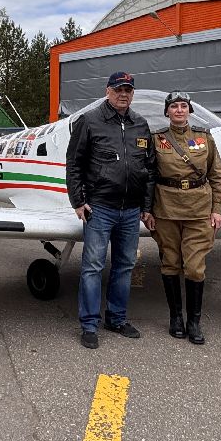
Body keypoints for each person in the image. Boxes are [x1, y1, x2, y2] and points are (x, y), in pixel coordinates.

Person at [65, 71, 153, 349]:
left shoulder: (140, 124)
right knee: (92, 266)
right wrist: (78, 201)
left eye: (128, 89)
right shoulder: (89, 122)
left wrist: (146, 207)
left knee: (125, 266)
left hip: (130, 211)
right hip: (99, 208)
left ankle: (116, 318)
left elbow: (149, 169)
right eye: (118, 89)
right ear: (107, 91)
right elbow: (74, 164)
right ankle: (89, 324)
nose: (123, 94)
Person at [143, 92, 221, 345]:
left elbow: (217, 175)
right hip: (166, 209)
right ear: (167, 112)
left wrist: (216, 209)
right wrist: (147, 210)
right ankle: (175, 318)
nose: (179, 110)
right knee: (170, 263)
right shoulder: (156, 139)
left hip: (199, 210)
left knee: (193, 267)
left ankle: (194, 321)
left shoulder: (204, 137)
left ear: (189, 110)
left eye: (183, 106)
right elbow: (147, 176)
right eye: (174, 106)